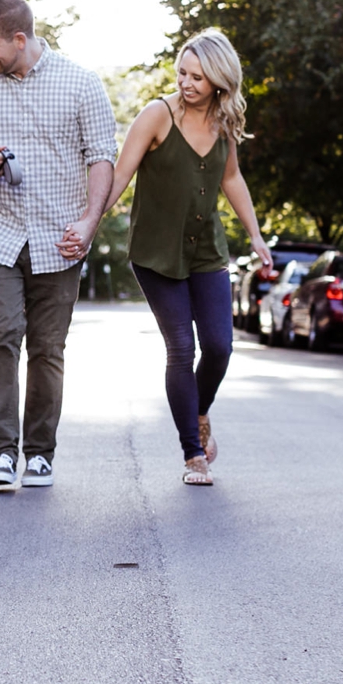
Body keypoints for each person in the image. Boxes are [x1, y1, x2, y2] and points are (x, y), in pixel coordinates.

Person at [76, 28, 271, 486]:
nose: (186, 83)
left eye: (198, 77)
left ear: (220, 82)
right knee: (181, 348)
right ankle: (193, 455)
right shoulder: (157, 115)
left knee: (220, 347)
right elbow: (120, 175)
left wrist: (256, 236)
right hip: (156, 252)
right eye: (183, 72)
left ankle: (200, 412)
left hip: (207, 250)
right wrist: (89, 223)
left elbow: (232, 179)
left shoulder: (225, 121)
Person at [0, 0, 117, 488]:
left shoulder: (81, 83)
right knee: (0, 335)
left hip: (59, 239)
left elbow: (102, 156)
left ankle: (39, 454)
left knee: (47, 348)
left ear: (20, 39)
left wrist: (88, 222)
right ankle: (2, 453)